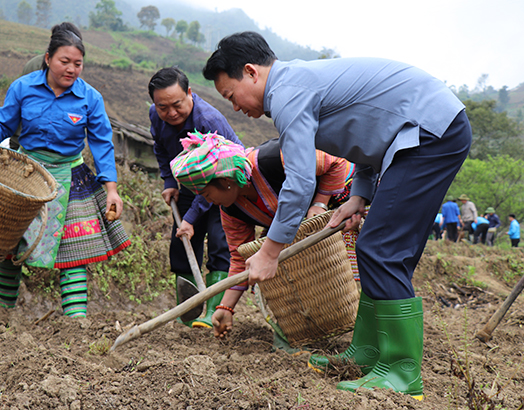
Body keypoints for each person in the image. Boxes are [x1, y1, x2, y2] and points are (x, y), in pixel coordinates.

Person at [202, 31, 472, 399]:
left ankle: (400, 372)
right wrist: (358, 195)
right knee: (377, 247)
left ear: (250, 72)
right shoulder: (297, 84)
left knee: (381, 249)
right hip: (420, 132)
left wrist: (270, 251)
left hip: (429, 131)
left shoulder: (287, 94)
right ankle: (368, 351)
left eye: (231, 95)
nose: (234, 107)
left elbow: (298, 183)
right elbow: (365, 134)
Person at [0, 22, 130, 318]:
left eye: (78, 64)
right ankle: (1, 314)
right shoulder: (24, 87)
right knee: (10, 244)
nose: (71, 69)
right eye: (64, 61)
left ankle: (75, 322)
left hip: (70, 176)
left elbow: (101, 144)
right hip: (26, 173)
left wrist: (112, 189)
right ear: (48, 58)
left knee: (74, 252)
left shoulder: (90, 98)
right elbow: (3, 121)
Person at [170, 132, 353, 342]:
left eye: (206, 194)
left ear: (225, 180)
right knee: (269, 258)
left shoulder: (273, 160)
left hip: (350, 202)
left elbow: (336, 162)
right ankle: (306, 332)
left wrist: (319, 203)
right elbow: (240, 259)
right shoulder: (231, 211)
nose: (207, 201)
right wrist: (225, 307)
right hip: (311, 234)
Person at [148, 66, 243, 328]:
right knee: (181, 244)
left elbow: (212, 181)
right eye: (162, 107)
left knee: (219, 244)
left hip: (225, 185)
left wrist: (189, 218)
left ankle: (213, 311)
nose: (170, 113)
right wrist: (169, 181)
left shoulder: (207, 121)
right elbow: (160, 148)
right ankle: (189, 310)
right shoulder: (157, 117)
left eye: (177, 104)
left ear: (189, 93)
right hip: (191, 185)